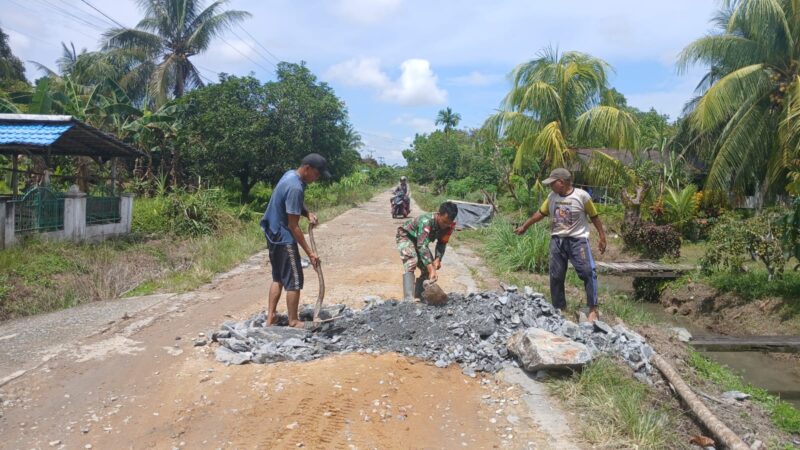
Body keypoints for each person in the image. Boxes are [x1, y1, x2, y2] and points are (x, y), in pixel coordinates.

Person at [514, 168, 607, 322]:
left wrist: (602, 237)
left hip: (578, 240)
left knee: (588, 272)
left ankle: (593, 309)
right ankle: (559, 308)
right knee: (556, 275)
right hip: (557, 240)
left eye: (553, 183)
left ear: (561, 182)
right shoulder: (552, 197)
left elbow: (594, 216)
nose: (550, 186)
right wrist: (525, 226)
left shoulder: (582, 196)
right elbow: (540, 213)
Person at [260, 153, 330, 329]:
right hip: (283, 237)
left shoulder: (290, 175)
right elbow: (293, 226)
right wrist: (310, 253)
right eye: (316, 174)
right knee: (294, 279)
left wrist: (307, 213)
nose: (317, 178)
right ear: (307, 168)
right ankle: (293, 321)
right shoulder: (295, 187)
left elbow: (293, 204)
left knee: (278, 277)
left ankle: (271, 317)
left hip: (272, 233)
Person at [396, 201, 458, 301]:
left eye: (448, 223)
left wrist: (438, 259)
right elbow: (422, 246)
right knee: (412, 261)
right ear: (439, 214)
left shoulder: (449, 226)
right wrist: (432, 269)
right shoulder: (426, 222)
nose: (445, 225)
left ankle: (419, 296)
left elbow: (442, 243)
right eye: (444, 222)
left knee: (427, 268)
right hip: (406, 236)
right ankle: (408, 299)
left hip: (420, 241)